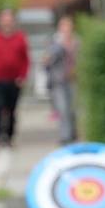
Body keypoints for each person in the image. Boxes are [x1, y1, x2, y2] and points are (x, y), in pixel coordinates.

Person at [0, 8, 30, 148]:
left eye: (9, 20)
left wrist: (23, 75)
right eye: (4, 20)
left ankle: (9, 136)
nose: (7, 23)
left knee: (12, 109)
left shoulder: (20, 37)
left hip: (14, 80)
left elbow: (25, 59)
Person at [45, 15, 79, 145]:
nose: (66, 29)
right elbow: (47, 60)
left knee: (73, 109)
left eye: (68, 26)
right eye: (63, 26)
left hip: (74, 80)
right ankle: (66, 137)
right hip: (59, 81)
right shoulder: (55, 43)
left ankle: (73, 134)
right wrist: (58, 46)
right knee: (63, 109)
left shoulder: (77, 41)